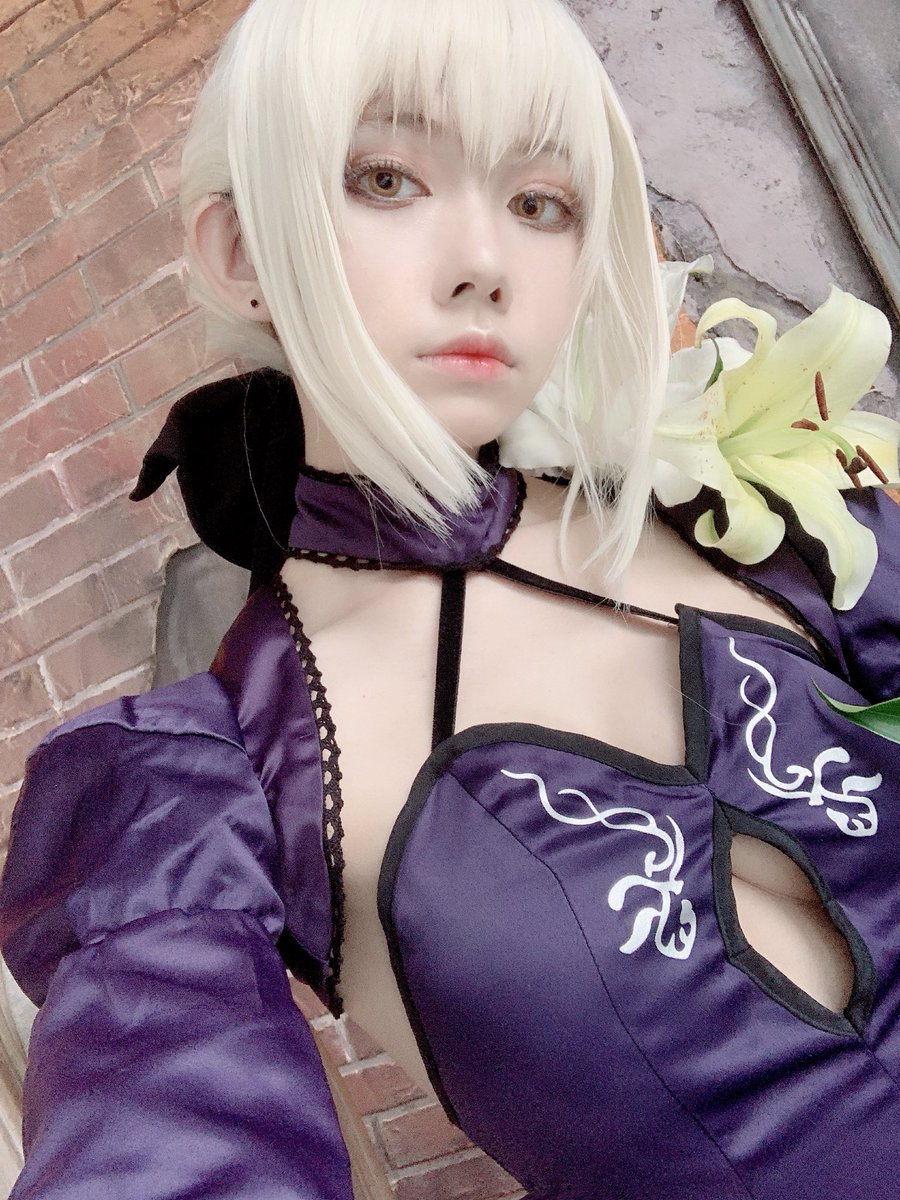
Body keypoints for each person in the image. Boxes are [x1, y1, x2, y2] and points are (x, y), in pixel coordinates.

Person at [2, 0, 899, 1196]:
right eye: (386, 178)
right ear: (241, 252)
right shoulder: (198, 790)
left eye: (542, 201)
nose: (485, 262)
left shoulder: (761, 525)